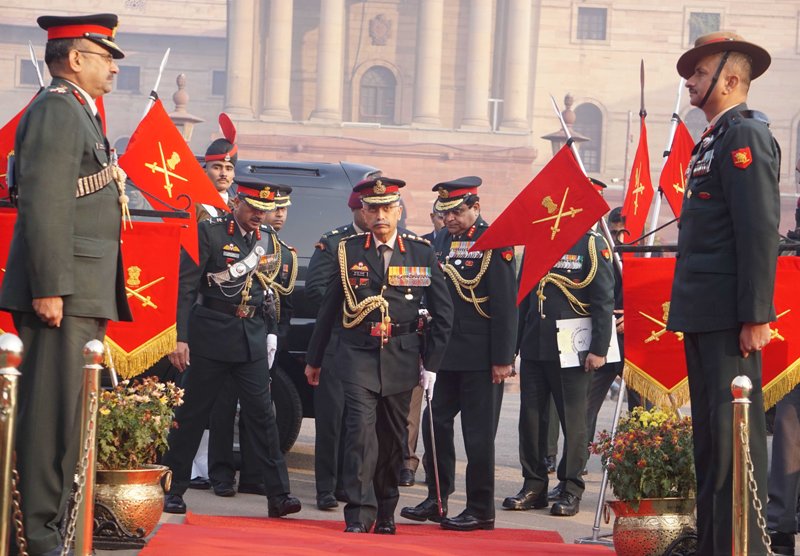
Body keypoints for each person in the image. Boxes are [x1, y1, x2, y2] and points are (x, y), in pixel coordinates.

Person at [0, 14, 132, 556]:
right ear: (75, 58)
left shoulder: (78, 110)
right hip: (63, 289)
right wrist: (50, 286)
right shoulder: (58, 109)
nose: (113, 70)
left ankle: (51, 524)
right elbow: (46, 201)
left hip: (80, 285)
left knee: (65, 418)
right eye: (105, 57)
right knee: (49, 418)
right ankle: (38, 531)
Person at [666, 31, 780, 555]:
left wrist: (756, 315)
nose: (689, 79)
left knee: (734, 443)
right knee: (711, 443)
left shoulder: (745, 138)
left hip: (730, 319)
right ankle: (715, 543)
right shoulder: (713, 139)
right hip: (705, 314)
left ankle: (741, 548)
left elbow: (757, 231)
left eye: (700, 70)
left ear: (730, 79)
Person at [304, 178, 453, 534]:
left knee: (391, 440)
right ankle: (358, 512)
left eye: (387, 208)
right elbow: (329, 308)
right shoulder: (348, 250)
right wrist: (315, 358)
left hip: (402, 356)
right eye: (373, 209)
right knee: (359, 434)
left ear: (399, 211)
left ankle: (386, 511)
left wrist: (431, 364)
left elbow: (444, 314)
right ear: (363, 212)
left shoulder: (420, 251)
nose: (380, 216)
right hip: (357, 355)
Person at [161, 175, 301, 518]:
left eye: (265, 209)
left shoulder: (268, 240)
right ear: (236, 201)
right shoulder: (210, 232)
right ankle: (172, 489)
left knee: (264, 418)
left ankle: (279, 495)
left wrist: (269, 332)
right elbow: (186, 287)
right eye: (253, 206)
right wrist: (179, 337)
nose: (259, 214)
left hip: (250, 337)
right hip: (209, 335)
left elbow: (268, 291)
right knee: (191, 415)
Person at [400, 176, 517, 531]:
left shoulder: (495, 243)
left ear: (475, 207)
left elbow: (505, 305)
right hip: (444, 352)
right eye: (445, 211)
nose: (450, 218)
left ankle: (481, 509)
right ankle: (437, 497)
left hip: (481, 356)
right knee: (437, 427)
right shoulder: (439, 241)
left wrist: (503, 359)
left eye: (457, 211)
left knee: (478, 435)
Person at [504, 231, 614, 517]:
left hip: (572, 348)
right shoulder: (537, 242)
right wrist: (511, 349)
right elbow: (523, 298)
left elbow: (603, 299)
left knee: (573, 421)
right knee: (531, 420)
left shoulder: (591, 244)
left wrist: (599, 348)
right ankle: (534, 485)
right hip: (535, 344)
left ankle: (571, 487)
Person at [207, 183, 297, 497]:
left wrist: (274, 333)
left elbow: (276, 294)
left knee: (259, 410)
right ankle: (221, 474)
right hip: (224, 332)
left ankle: (255, 475)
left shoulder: (278, 247)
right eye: (263, 207)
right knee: (222, 407)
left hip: (259, 334)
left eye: (275, 208)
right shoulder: (222, 234)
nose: (272, 213)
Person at [305, 190, 369, 510]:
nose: (376, 216)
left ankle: (348, 484)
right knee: (331, 420)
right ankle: (325, 488)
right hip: (336, 340)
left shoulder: (386, 246)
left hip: (369, 348)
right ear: (356, 210)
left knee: (358, 423)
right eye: (369, 209)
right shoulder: (334, 243)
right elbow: (316, 290)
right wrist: (354, 312)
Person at [188, 125, 239, 491]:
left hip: (231, 315)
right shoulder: (195, 204)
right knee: (194, 395)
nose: (224, 174)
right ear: (204, 170)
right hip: (200, 308)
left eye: (229, 168)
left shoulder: (237, 207)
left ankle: (209, 466)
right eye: (217, 167)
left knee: (222, 401)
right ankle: (189, 464)